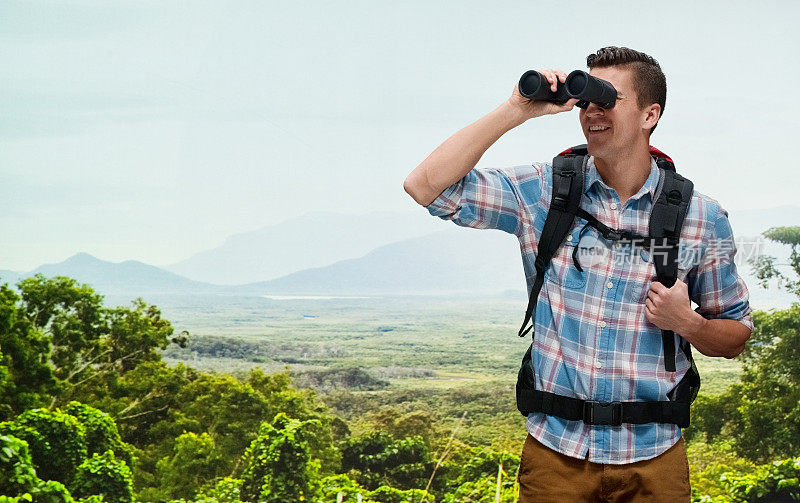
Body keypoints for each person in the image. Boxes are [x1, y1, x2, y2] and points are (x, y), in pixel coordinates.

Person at [402, 46, 753, 503]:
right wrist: (516, 110)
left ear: (651, 114)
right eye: (585, 97)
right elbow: (425, 186)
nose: (592, 110)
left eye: (608, 97)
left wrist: (687, 323)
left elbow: (736, 335)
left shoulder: (700, 217)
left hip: (653, 459)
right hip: (556, 458)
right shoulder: (544, 191)